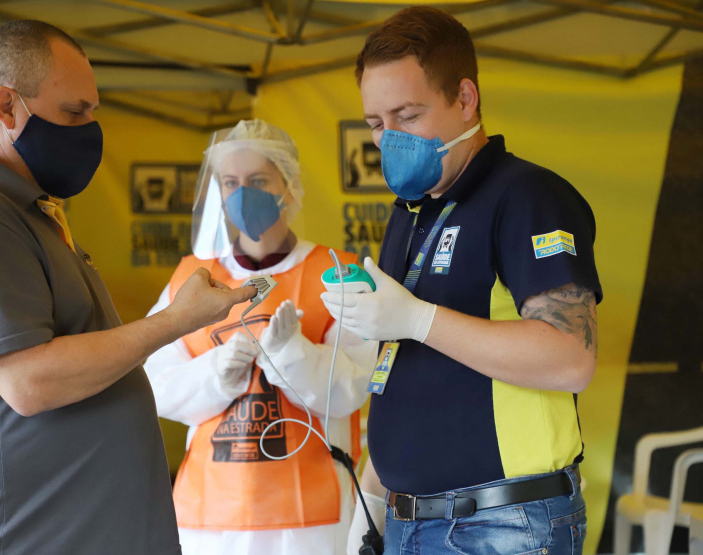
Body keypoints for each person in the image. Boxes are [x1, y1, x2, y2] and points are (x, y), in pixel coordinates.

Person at [0, 20, 254, 554]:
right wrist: (176, 322)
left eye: (92, 111)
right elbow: (30, 381)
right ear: (6, 108)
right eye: (74, 113)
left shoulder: (24, 211)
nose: (89, 129)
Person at [324, 7, 602, 555]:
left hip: (502, 522)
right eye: (377, 124)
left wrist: (416, 318)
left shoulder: (525, 196)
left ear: (465, 98)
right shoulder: (411, 210)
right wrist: (373, 506)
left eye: (407, 115)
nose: (389, 139)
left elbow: (572, 357)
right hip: (410, 518)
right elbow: (402, 373)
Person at [144, 119, 376, 555]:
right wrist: (217, 371)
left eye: (258, 180)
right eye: (230, 182)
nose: (241, 193)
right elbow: (154, 385)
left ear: (288, 186)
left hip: (310, 521)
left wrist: (295, 356)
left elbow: (354, 388)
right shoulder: (192, 280)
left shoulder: (339, 275)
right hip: (210, 517)